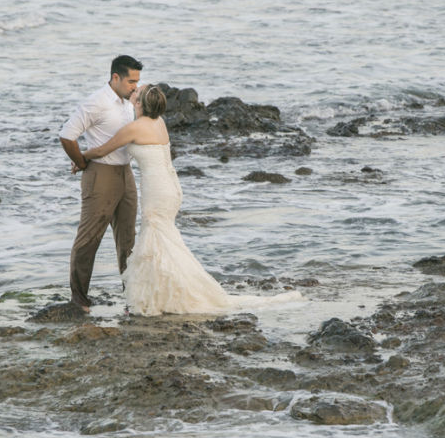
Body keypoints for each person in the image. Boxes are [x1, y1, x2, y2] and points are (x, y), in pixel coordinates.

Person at [75, 85, 302, 316]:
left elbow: (103, 150)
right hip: (172, 188)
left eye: (137, 95)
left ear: (140, 104)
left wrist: (79, 158)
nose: (134, 94)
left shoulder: (134, 127)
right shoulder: (159, 122)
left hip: (158, 191)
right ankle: (164, 289)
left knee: (156, 240)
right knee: (165, 242)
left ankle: (163, 294)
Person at [58, 55, 142, 312]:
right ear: (115, 77)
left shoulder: (128, 102)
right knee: (89, 238)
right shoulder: (96, 102)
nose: (135, 87)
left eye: (138, 82)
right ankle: (80, 300)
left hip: (125, 173)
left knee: (128, 240)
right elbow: (67, 134)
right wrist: (82, 163)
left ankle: (132, 297)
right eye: (131, 81)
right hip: (100, 176)